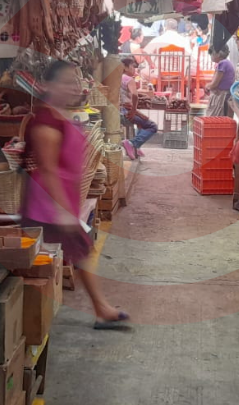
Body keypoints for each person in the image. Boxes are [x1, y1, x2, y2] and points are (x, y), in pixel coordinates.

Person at [23, 61, 129, 329]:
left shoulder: (61, 115)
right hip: (47, 207)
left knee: (76, 254)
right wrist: (62, 210)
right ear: (48, 86)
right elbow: (48, 169)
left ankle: (97, 309)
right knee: (76, 253)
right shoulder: (45, 122)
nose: (74, 87)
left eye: (76, 81)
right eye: (67, 82)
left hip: (61, 205)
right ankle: (98, 310)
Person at [120, 57, 158, 160]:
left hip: (119, 112)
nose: (134, 69)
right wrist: (133, 111)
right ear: (125, 67)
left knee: (142, 123)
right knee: (152, 126)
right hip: (126, 112)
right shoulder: (129, 79)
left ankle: (136, 147)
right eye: (132, 66)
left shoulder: (117, 79)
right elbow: (135, 95)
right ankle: (132, 143)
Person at [204, 48, 235, 117]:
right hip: (226, 95)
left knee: (214, 119)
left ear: (218, 54)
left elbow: (214, 84)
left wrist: (207, 86)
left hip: (223, 96)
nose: (211, 56)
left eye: (211, 54)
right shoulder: (227, 62)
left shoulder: (223, 63)